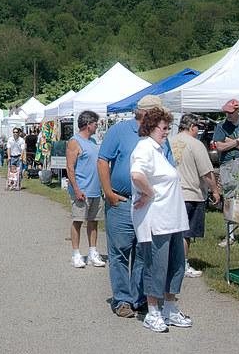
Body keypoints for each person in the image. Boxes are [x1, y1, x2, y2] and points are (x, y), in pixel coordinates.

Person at [97, 94, 174, 319]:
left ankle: (140, 298)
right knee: (120, 251)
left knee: (143, 252)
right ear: (148, 114)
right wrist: (109, 193)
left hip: (148, 204)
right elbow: (103, 161)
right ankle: (122, 299)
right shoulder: (119, 132)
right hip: (122, 202)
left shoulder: (160, 137)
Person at [129, 107, 191, 333]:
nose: (167, 132)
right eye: (164, 128)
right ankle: (153, 311)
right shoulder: (145, 147)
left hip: (172, 220)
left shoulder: (160, 149)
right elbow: (136, 174)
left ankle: (170, 308)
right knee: (156, 265)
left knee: (175, 264)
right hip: (157, 221)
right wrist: (150, 193)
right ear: (151, 128)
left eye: (168, 128)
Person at [169, 113, 221, 278]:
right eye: (198, 127)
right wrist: (215, 191)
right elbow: (206, 172)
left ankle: (170, 262)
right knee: (186, 233)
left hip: (170, 194)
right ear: (192, 127)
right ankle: (182, 264)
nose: (199, 130)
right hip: (190, 193)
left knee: (172, 231)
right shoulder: (196, 144)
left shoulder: (168, 142)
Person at [66, 111, 105, 269]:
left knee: (94, 222)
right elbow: (70, 167)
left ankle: (92, 252)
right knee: (78, 221)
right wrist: (75, 189)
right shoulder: (74, 142)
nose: (97, 126)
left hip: (95, 190)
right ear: (88, 124)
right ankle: (76, 254)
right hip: (81, 190)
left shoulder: (94, 142)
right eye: (95, 123)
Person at [214, 98, 239, 246]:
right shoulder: (221, 126)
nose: (228, 115)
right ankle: (229, 235)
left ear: (238, 111)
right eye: (226, 112)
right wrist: (238, 141)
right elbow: (219, 147)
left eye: (230, 112)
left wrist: (228, 141)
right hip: (227, 164)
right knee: (228, 199)